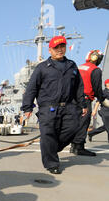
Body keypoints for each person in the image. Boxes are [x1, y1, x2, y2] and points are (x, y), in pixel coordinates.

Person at [22, 36, 87, 174]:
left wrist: (83, 104)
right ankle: (52, 164)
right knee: (48, 134)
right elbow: (32, 88)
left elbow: (78, 87)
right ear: (50, 50)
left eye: (62, 46)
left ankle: (51, 148)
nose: (60, 50)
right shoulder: (42, 68)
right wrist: (27, 107)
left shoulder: (72, 65)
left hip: (69, 106)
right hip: (48, 108)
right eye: (56, 48)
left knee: (73, 128)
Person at [70, 50, 105, 156]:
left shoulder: (79, 67)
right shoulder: (95, 70)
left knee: (75, 123)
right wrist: (101, 99)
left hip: (73, 99)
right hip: (85, 99)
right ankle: (79, 147)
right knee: (83, 123)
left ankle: (73, 146)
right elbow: (97, 88)